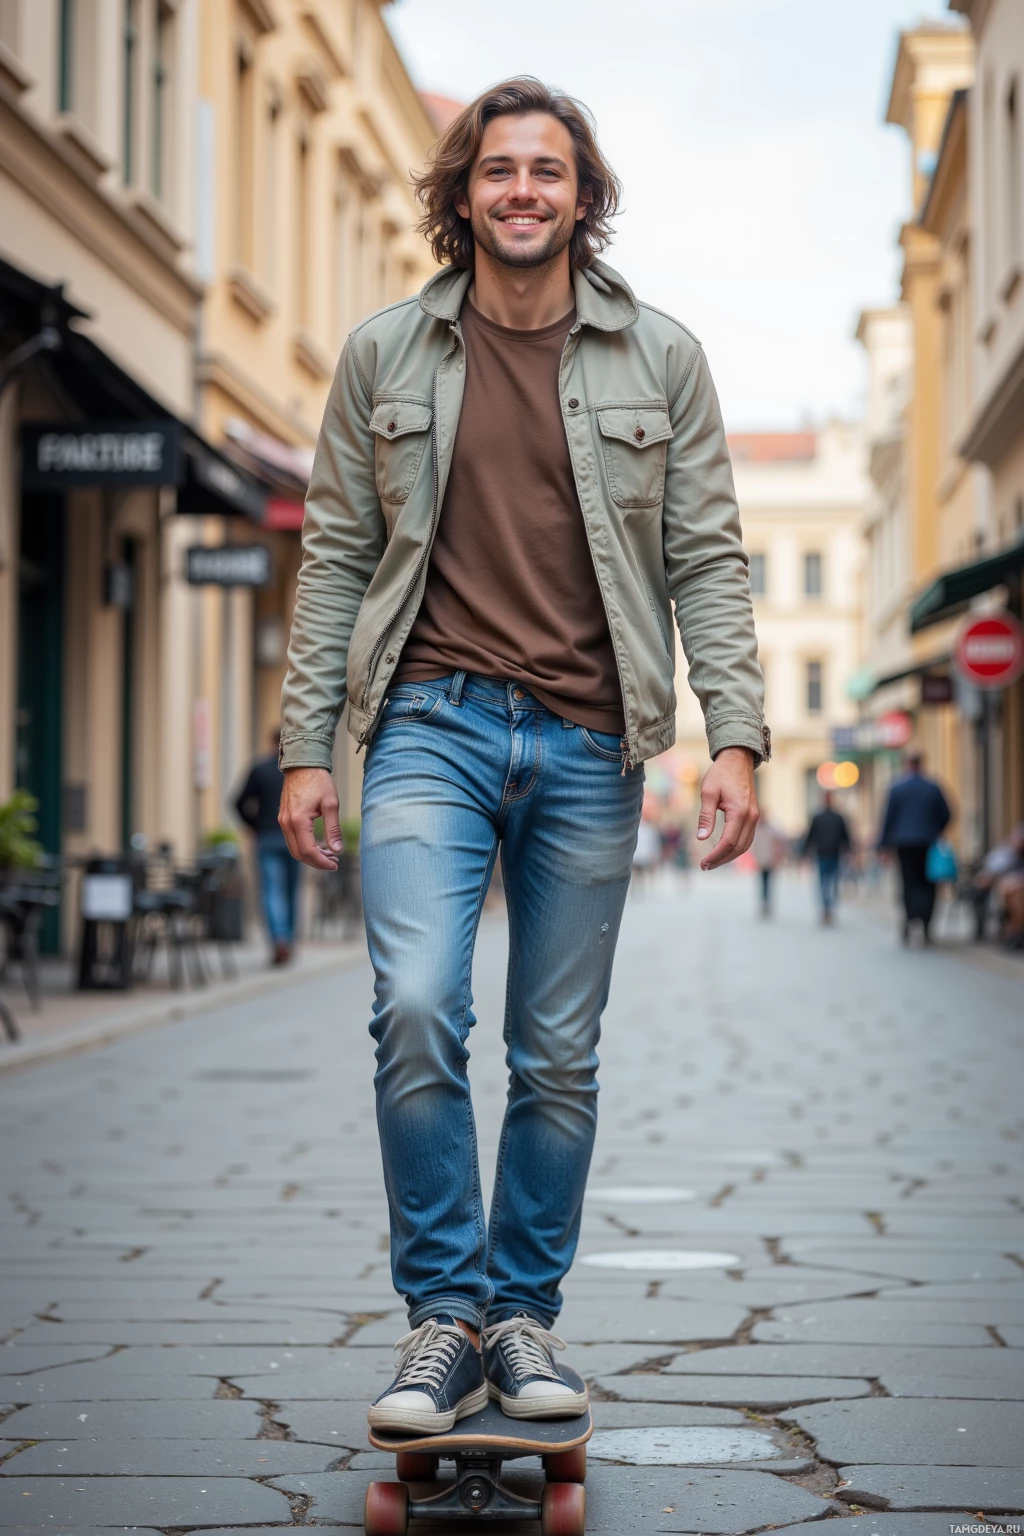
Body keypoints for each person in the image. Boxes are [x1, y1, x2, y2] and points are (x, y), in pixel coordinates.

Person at [277, 78, 768, 1436]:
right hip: (426, 722)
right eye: (499, 170)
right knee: (416, 1005)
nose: (522, 192)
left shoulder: (660, 357)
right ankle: (444, 1316)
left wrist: (734, 737)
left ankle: (521, 1317)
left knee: (555, 1053)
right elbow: (334, 560)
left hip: (591, 736)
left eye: (548, 171)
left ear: (583, 195)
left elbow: (707, 557)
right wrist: (306, 747)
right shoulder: (385, 354)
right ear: (463, 193)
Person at [234, 727, 300, 966]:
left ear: (272, 742)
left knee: (272, 890)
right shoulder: (298, 771)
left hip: (267, 837)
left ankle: (279, 938)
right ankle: (288, 940)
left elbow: (238, 802)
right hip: (294, 837)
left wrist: (253, 825)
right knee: (291, 891)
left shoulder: (259, 769)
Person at [878, 752, 951, 944]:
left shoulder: (897, 788)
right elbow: (947, 814)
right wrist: (936, 829)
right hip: (927, 842)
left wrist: (883, 846)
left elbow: (888, 819)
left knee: (908, 883)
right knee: (928, 884)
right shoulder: (933, 787)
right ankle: (926, 923)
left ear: (907, 764)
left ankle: (910, 919)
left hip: (904, 843)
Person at [802, 791, 852, 925]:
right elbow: (811, 836)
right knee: (826, 882)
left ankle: (828, 907)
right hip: (823, 854)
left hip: (833, 854)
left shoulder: (836, 817)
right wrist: (805, 852)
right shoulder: (821, 817)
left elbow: (845, 836)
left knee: (830, 882)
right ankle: (827, 908)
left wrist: (849, 851)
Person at [751, 814, 787, 917]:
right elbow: (755, 846)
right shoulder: (757, 830)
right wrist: (756, 857)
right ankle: (764, 903)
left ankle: (767, 903)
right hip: (761, 861)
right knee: (762, 883)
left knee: (768, 883)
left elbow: (778, 844)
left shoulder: (771, 830)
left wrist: (776, 857)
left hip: (770, 860)